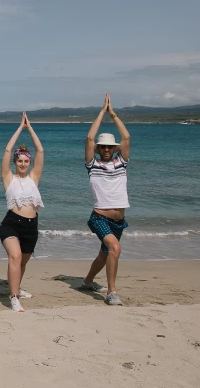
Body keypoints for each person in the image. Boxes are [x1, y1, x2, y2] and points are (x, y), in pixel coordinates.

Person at [81, 93, 131, 306]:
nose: (107, 149)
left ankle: (87, 281)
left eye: (110, 146)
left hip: (118, 220)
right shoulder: (93, 166)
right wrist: (102, 112)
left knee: (104, 254)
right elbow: (90, 138)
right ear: (99, 149)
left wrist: (114, 114)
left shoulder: (122, 163)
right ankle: (112, 292)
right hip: (99, 218)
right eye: (104, 147)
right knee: (115, 249)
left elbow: (127, 138)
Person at [0, 112, 44, 312]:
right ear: (15, 162)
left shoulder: (34, 177)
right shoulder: (9, 178)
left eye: (26, 161)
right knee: (15, 257)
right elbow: (8, 150)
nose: (23, 164)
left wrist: (30, 127)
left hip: (31, 226)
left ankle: (17, 287)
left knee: (22, 262)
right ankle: (14, 296)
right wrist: (19, 128)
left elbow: (40, 151)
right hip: (11, 223)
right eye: (20, 161)